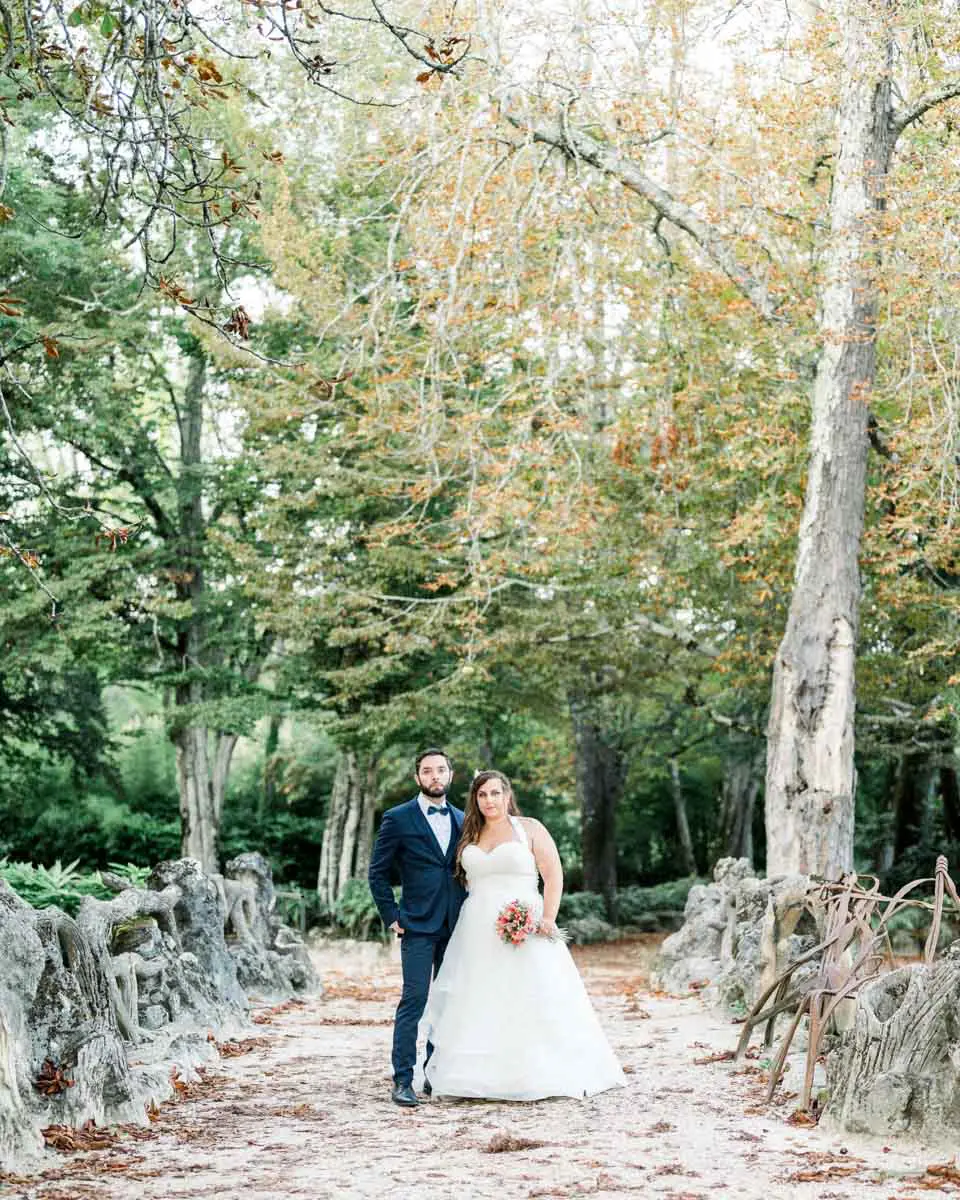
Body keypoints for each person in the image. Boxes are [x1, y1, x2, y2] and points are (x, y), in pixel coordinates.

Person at [423, 769, 625, 1101]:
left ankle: (537, 1072)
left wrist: (547, 916)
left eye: (495, 793)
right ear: (475, 799)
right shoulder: (469, 835)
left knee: (532, 995)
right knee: (480, 998)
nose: (489, 800)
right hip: (476, 931)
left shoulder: (528, 828)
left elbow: (553, 872)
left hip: (525, 925)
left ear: (507, 795)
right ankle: (476, 1078)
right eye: (482, 794)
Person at [367, 748, 466, 1107]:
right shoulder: (398, 818)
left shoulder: (464, 818)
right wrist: (391, 914)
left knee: (449, 1002)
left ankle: (434, 1073)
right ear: (417, 778)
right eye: (428, 771)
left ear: (451, 775)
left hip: (457, 925)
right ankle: (403, 1079)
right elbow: (377, 872)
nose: (435, 776)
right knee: (415, 999)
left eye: (441, 770)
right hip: (417, 925)